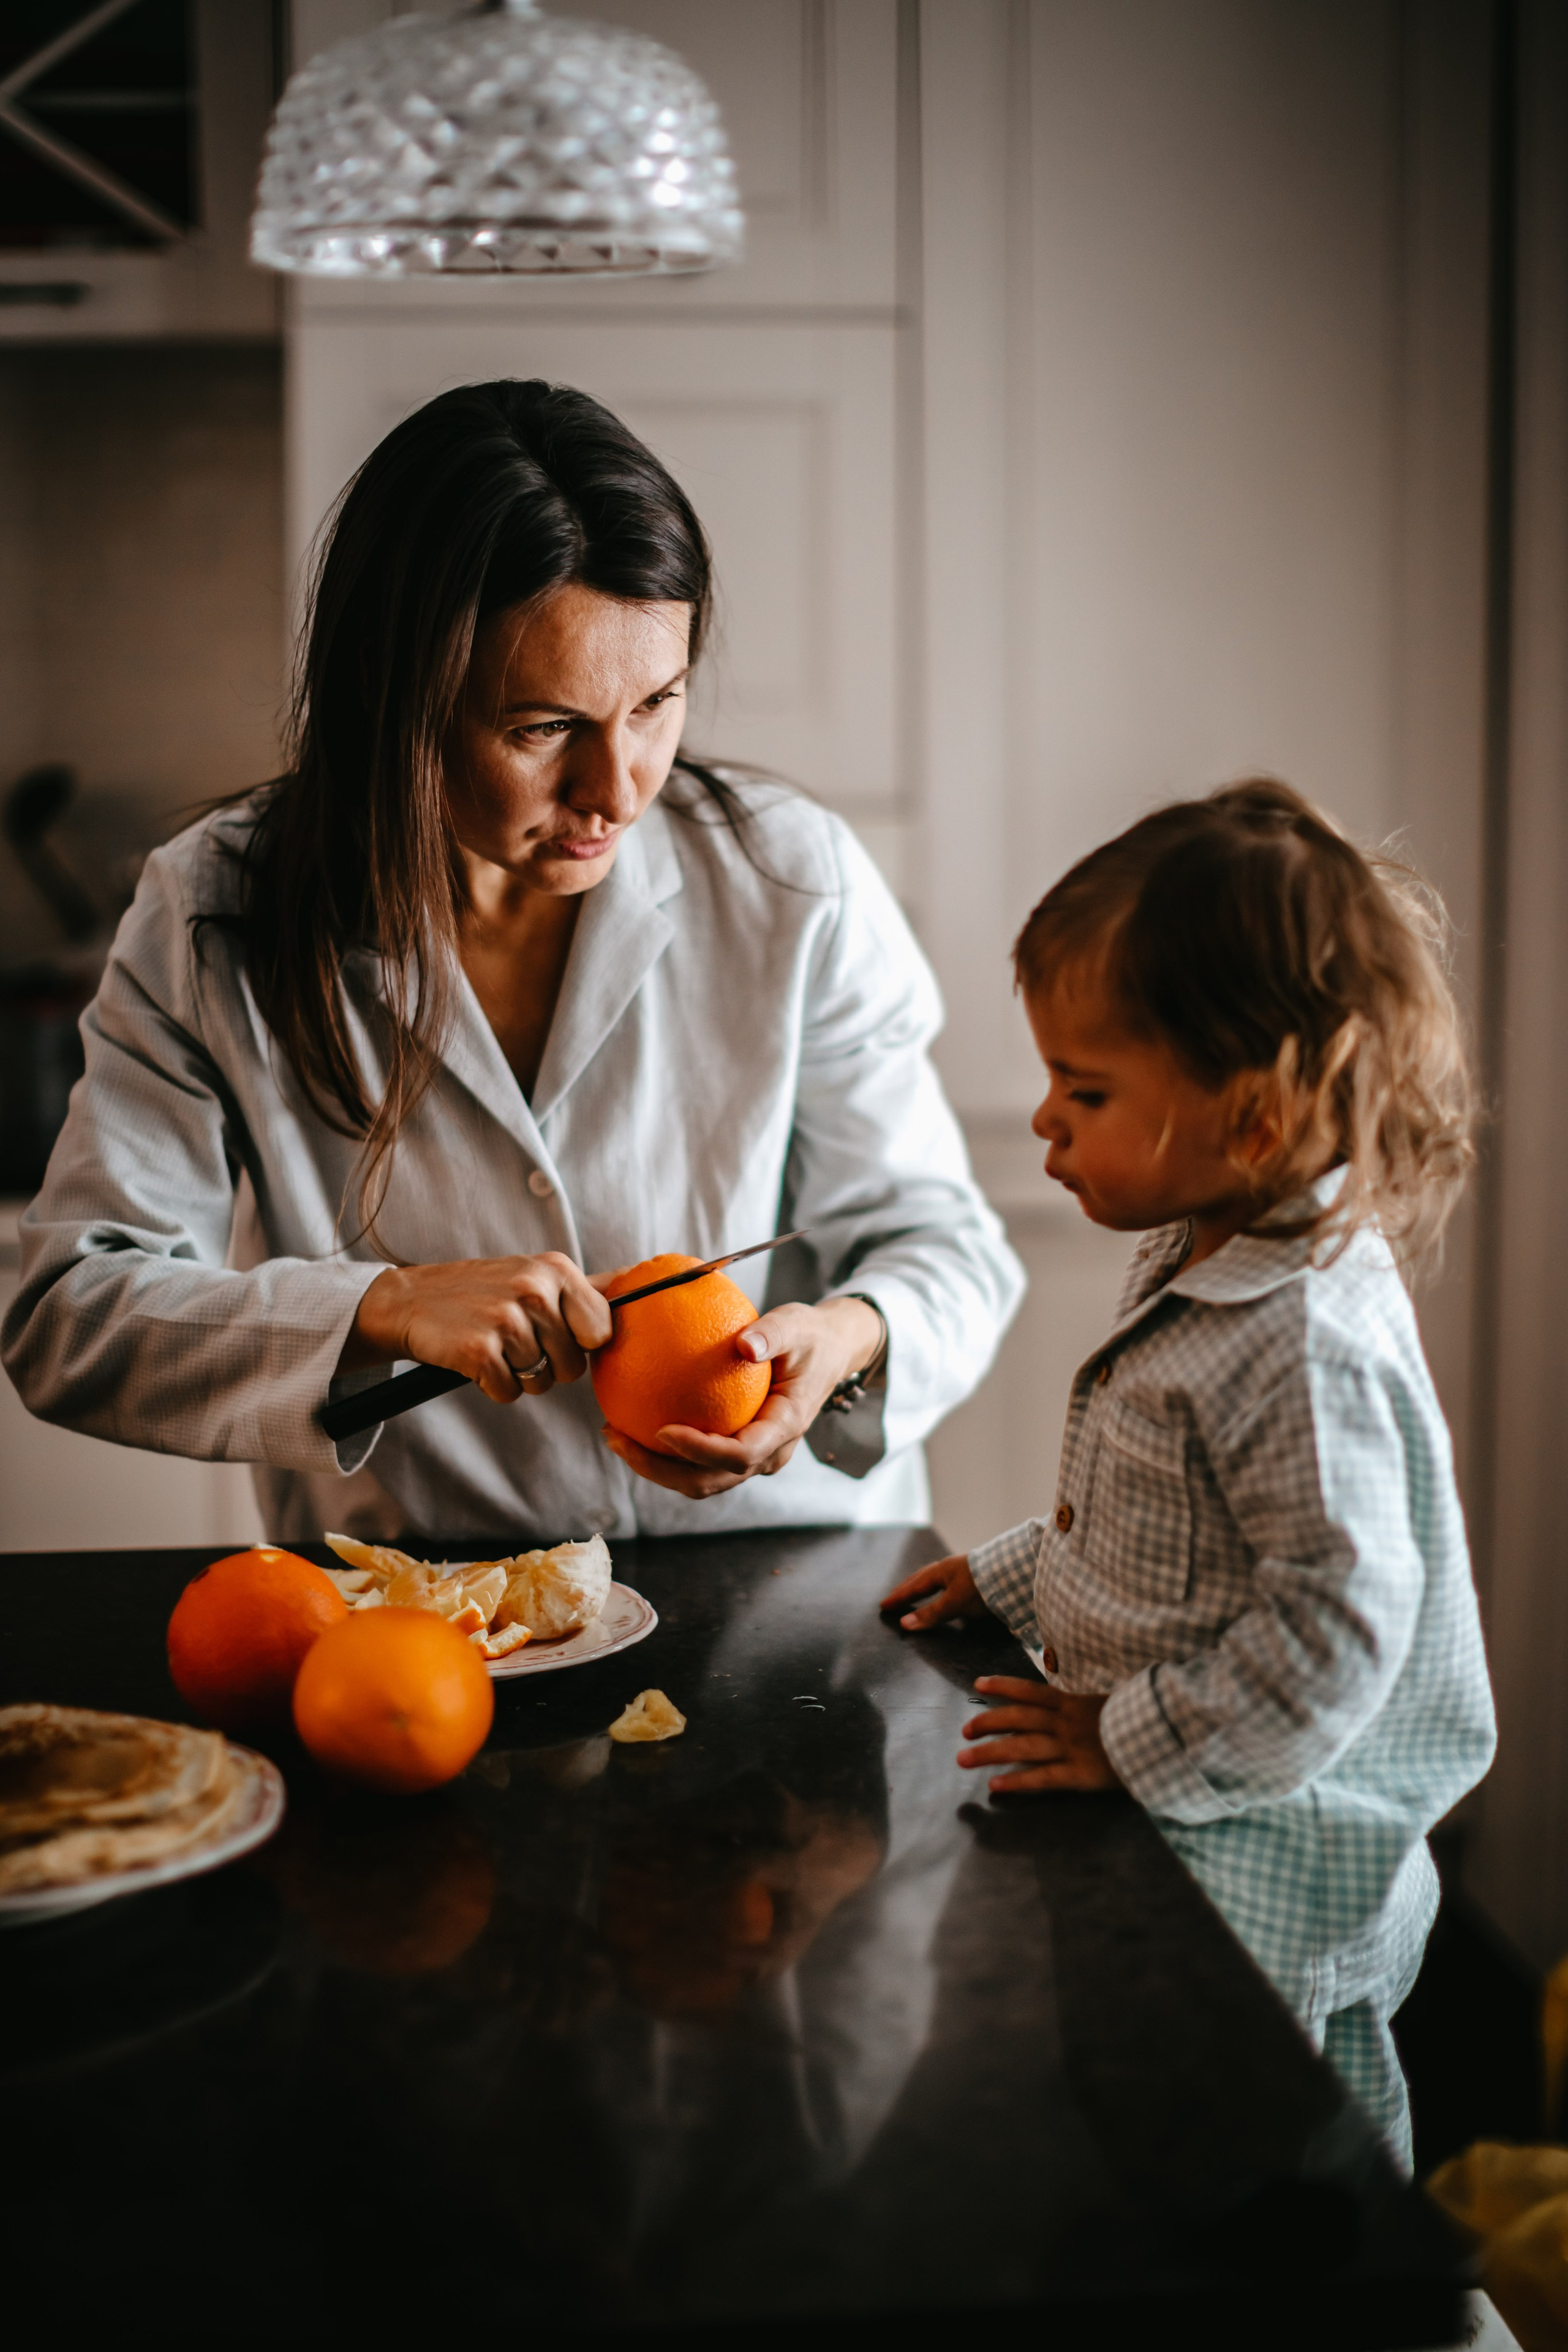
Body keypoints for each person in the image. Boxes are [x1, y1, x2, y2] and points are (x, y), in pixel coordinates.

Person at [2, 380, 1022, 1543]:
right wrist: (379, 1308)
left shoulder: (792, 878)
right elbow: (69, 1311)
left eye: (657, 703)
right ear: (397, 700)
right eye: (542, 729)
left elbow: (943, 1246)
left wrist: (850, 1336)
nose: (617, 788)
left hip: (784, 1582)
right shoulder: (215, 906)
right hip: (422, 1627)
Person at [881, 780, 1497, 2169]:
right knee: (1283, 2126)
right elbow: (1173, 1540)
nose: (1043, 1122)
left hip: (1264, 1847)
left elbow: (1334, 1632)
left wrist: (1120, 1740)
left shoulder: (1303, 1340)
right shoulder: (1209, 1248)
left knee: (1239, 2149)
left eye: (1085, 1091)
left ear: (1256, 1116)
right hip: (1211, 1804)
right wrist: (1008, 1576)